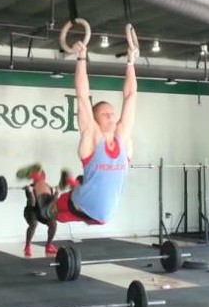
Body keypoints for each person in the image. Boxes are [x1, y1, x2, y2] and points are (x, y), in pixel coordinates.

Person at [41, 26, 138, 225]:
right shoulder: (92, 137)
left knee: (78, 186)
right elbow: (82, 96)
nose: (112, 117)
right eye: (105, 114)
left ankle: (69, 191)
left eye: (112, 113)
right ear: (95, 119)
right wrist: (82, 57)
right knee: (53, 212)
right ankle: (47, 206)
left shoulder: (124, 137)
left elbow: (130, 95)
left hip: (101, 216)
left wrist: (131, 63)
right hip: (80, 207)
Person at [16, 166, 58, 257]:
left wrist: (56, 193)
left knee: (53, 223)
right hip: (31, 211)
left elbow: (52, 202)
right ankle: (27, 246)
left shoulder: (48, 187)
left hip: (42, 211)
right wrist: (30, 192)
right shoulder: (30, 187)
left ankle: (48, 245)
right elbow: (32, 203)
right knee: (33, 224)